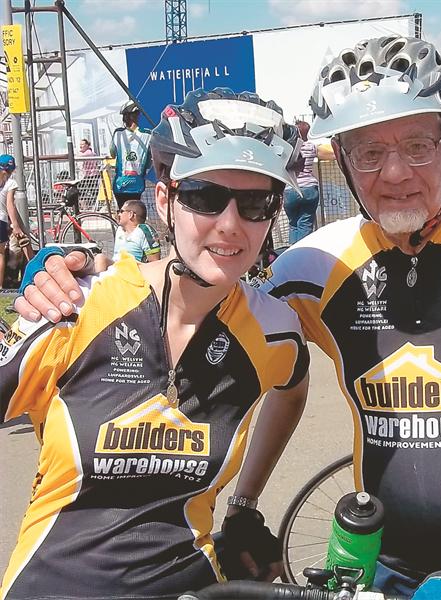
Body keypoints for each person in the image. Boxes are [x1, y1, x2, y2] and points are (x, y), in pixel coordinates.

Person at [19, 37, 441, 599]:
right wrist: (74, 272)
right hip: (386, 564)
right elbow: (217, 306)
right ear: (341, 161)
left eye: (417, 146)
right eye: (369, 152)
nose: (395, 173)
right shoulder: (316, 263)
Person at [0, 88, 309, 599]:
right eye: (205, 197)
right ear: (165, 201)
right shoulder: (75, 308)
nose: (231, 224)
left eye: (256, 203)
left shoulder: (274, 330)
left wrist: (244, 504)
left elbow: (293, 391)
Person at [110, 101, 153, 210]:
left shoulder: (118, 133)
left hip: (120, 184)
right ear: (137, 115)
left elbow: (112, 153)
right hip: (137, 184)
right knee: (135, 213)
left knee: (122, 212)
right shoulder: (148, 134)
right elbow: (149, 161)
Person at [283, 120, 320, 243]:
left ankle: (292, 250)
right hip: (309, 188)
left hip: (290, 188)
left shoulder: (288, 148)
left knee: (293, 224)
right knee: (305, 223)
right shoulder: (311, 147)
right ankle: (304, 250)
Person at [0, 154, 23, 287]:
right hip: (1, 219)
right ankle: (0, 286)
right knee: (0, 254)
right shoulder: (11, 183)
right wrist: (15, 225)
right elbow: (10, 205)